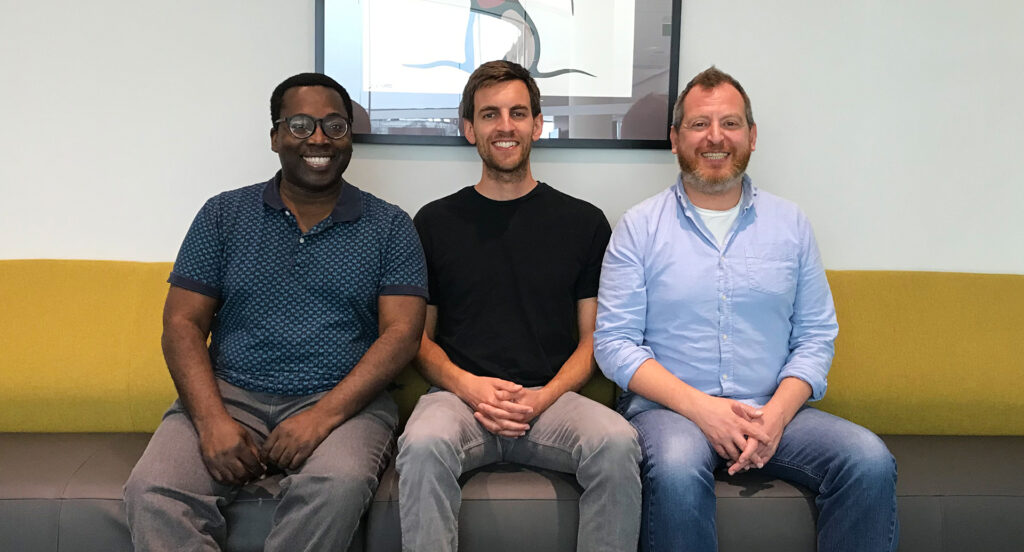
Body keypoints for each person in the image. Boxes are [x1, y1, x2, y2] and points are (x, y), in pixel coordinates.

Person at [594, 66, 898, 552]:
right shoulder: (639, 227)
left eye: (730, 124)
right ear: (675, 139)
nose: (716, 137)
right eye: (699, 124)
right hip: (671, 413)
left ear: (752, 136)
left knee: (868, 459)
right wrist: (705, 410)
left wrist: (775, 416)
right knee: (674, 469)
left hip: (772, 409)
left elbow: (816, 336)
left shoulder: (791, 225)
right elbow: (614, 344)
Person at [123, 73, 428, 551]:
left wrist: (322, 416)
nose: (320, 139)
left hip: (343, 402)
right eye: (302, 125)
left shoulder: (390, 225)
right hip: (229, 394)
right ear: (275, 136)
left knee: (337, 484)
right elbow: (182, 323)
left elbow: (403, 334)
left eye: (335, 126)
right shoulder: (223, 215)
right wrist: (211, 422)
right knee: (153, 492)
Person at [396, 60, 641, 552]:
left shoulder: (585, 223)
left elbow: (595, 340)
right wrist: (471, 388)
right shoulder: (433, 222)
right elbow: (416, 340)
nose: (505, 126)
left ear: (537, 124)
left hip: (552, 401)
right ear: (469, 129)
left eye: (517, 113)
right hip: (460, 399)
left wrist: (541, 397)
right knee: (422, 445)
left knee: (617, 443)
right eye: (489, 115)